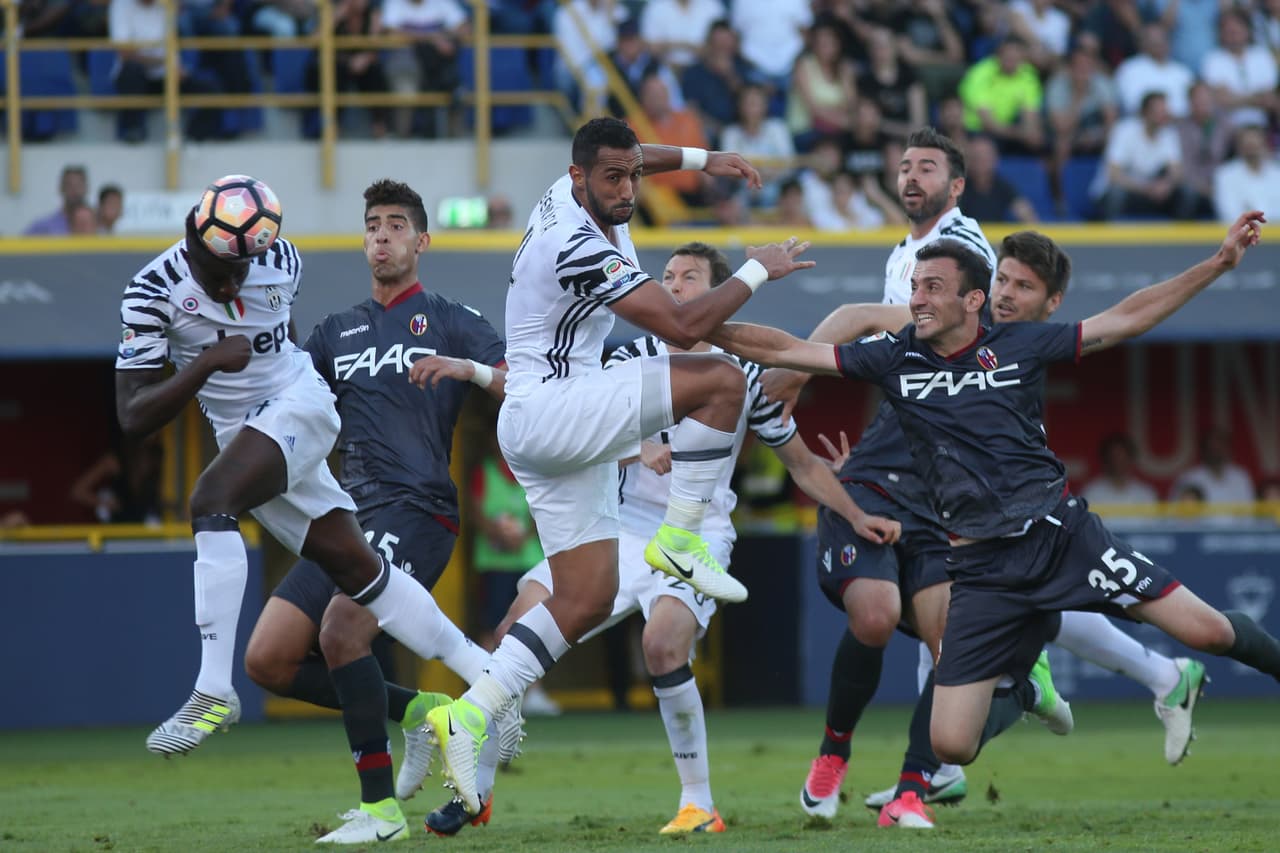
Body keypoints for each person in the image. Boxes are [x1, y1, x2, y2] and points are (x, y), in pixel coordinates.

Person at [713, 215, 1280, 825]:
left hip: (1060, 538)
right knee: (953, 743)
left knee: (1210, 635)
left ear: (971, 300)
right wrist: (691, 324)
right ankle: (1026, 688)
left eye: (932, 287)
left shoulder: (1020, 344)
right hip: (981, 570)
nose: (917, 298)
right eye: (916, 286)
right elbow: (786, 349)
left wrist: (1217, 264)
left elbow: (1127, 319)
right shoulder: (894, 356)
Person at [421, 117, 813, 816]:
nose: (629, 188)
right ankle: (682, 539)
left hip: (544, 422)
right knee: (720, 380)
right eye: (613, 178)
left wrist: (702, 158)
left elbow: (631, 157)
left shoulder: (581, 185)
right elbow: (685, 327)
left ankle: (469, 712)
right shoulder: (573, 240)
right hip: (555, 407)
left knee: (583, 599)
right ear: (578, 178)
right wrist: (759, 268)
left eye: (634, 174)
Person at [494, 241, 899, 836]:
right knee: (510, 632)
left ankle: (699, 804)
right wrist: (637, 448)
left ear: (714, 292)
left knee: (663, 646)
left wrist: (856, 515)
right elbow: (572, 427)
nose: (675, 285)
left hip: (699, 528)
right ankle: (475, 794)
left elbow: (802, 463)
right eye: (668, 276)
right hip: (622, 523)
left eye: (689, 277)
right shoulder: (628, 355)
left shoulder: (748, 372)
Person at [115, 176, 480, 801]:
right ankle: (479, 684)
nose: (233, 287)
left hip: (299, 410)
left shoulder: (280, 261)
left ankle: (211, 690)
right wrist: (202, 362)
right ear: (190, 243)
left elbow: (275, 358)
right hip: (249, 437)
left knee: (209, 503)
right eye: (218, 275)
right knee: (354, 574)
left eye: (241, 271)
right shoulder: (151, 292)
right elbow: (132, 418)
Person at [236, 179, 516, 843]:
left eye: (395, 225)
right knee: (267, 661)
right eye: (372, 225)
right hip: (344, 515)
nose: (381, 235)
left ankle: (381, 811)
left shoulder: (450, 318)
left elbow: (521, 382)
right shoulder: (336, 332)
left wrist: (470, 371)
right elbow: (285, 400)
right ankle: (426, 709)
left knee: (341, 632)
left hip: (417, 507)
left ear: (421, 241)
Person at [68, 431, 165, 524]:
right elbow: (78, 491)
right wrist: (105, 503)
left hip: (143, 532)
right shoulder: (115, 460)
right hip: (116, 530)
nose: (154, 433)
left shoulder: (158, 459)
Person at [1171, 427, 1257, 506]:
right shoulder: (1188, 478)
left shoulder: (1240, 476)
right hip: (1201, 523)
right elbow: (1175, 513)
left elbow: (1250, 513)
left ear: (1227, 448)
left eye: (1220, 445)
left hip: (1237, 523)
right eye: (1212, 446)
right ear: (1204, 449)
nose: (1216, 450)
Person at [1082, 433, 1160, 505]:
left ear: (1131, 459)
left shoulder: (1145, 493)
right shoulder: (1091, 492)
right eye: (1114, 458)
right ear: (1106, 460)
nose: (1118, 463)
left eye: (1123, 458)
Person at [23, 165, 87, 235]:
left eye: (78, 185)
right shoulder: (43, 227)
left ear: (86, 188)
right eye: (69, 185)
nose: (74, 190)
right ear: (61, 188)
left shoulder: (97, 225)